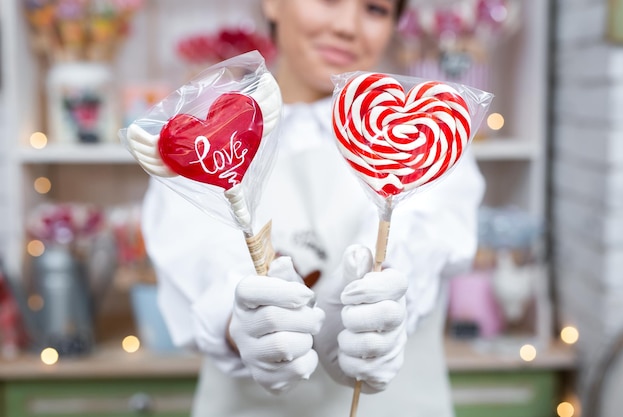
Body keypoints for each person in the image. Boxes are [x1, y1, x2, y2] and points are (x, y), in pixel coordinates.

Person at [141, 0, 485, 416]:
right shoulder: (201, 140)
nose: (347, 26)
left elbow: (423, 237)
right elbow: (198, 258)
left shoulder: (427, 136)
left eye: (375, 9)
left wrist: (380, 306)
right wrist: (240, 322)